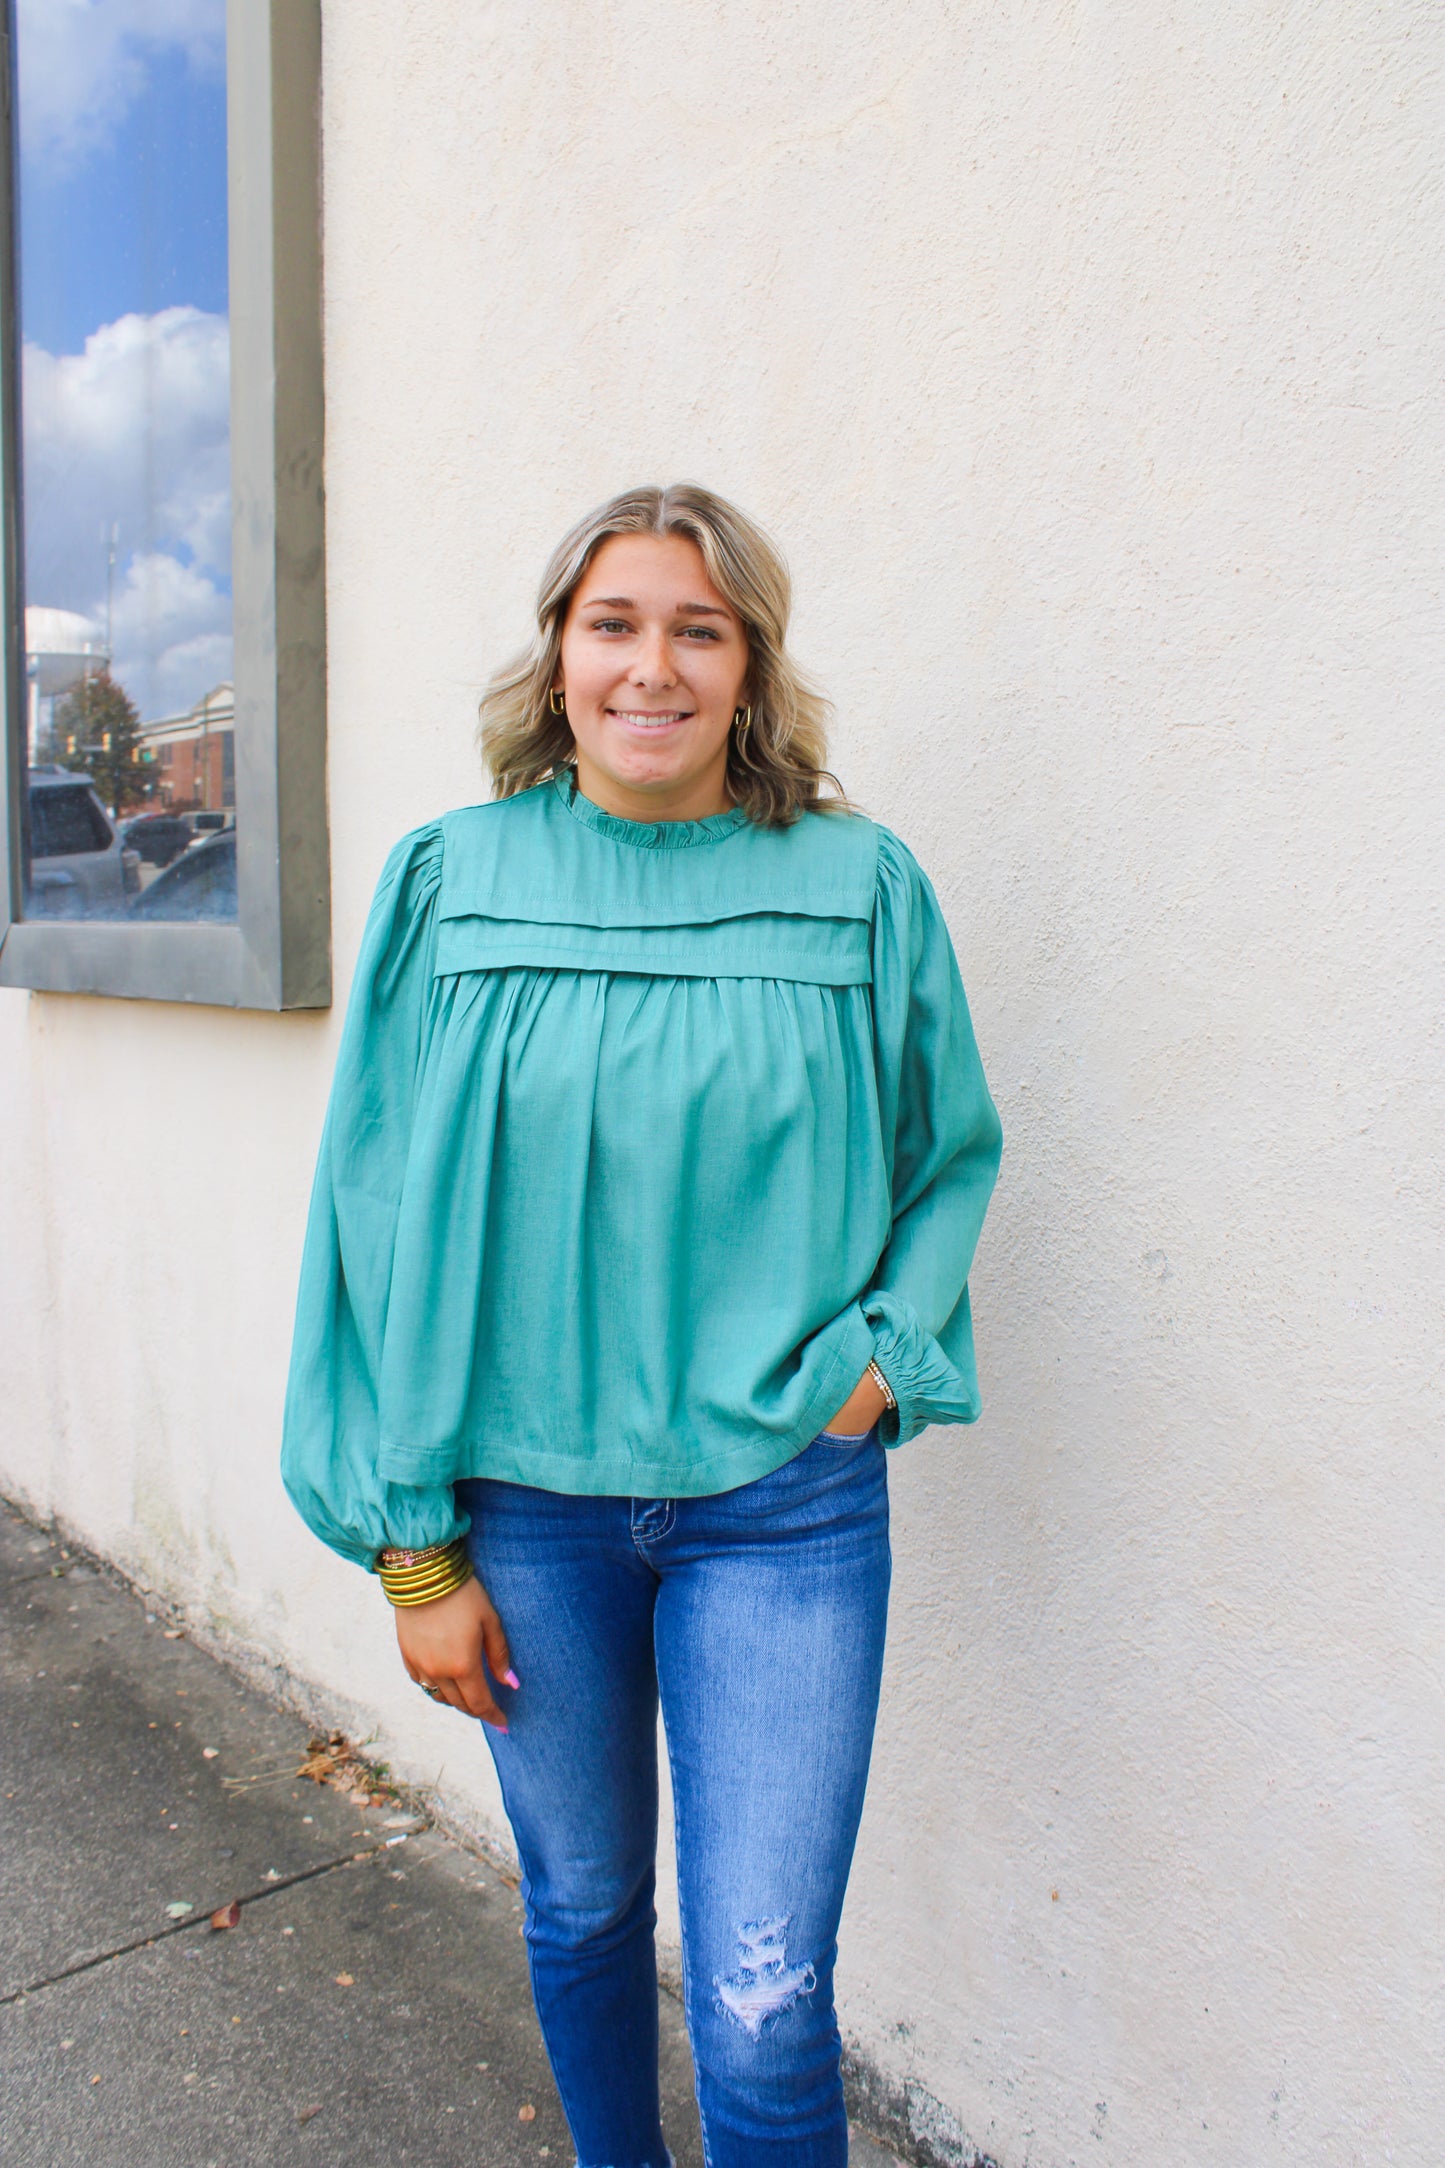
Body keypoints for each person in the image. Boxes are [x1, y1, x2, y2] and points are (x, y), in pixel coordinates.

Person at [282, 482, 1002, 2167]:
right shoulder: (450, 883)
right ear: (557, 656)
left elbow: (948, 1151)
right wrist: (413, 1548)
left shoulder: (856, 881)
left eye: (700, 627)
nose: (652, 666)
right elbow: (368, 1213)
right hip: (523, 1513)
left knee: (762, 2009)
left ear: (749, 667)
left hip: (784, 1508)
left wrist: (880, 1361)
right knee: (586, 1910)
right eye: (614, 622)